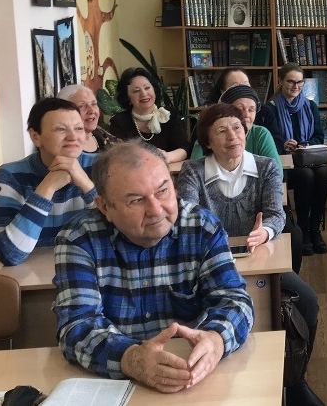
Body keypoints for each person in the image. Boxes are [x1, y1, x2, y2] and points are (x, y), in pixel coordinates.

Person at [53, 142, 254, 393]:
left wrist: (216, 339)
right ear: (104, 207)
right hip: (116, 385)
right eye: (137, 200)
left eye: (163, 191)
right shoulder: (79, 239)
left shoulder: (202, 227)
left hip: (193, 376)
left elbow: (235, 300)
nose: (156, 210)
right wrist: (132, 359)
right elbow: (77, 326)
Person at [177, 105, 324, 405]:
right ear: (208, 142)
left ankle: (296, 380)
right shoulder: (192, 171)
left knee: (307, 301)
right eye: (221, 131)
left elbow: (276, 214)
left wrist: (265, 232)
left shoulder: (266, 167)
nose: (232, 136)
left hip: (259, 260)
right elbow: (186, 219)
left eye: (237, 128)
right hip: (208, 265)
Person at [0, 97, 97, 265]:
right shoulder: (11, 175)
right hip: (33, 274)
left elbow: (121, 235)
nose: (73, 137)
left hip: (90, 269)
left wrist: (86, 184)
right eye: (60, 129)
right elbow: (9, 254)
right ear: (36, 137)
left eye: (78, 128)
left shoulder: (101, 166)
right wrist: (48, 186)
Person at [261, 63, 327, 256]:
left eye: (300, 82)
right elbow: (267, 142)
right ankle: (303, 230)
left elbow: (319, 137)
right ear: (281, 81)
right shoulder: (269, 109)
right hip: (285, 164)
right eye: (291, 82)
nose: (296, 86)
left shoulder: (310, 106)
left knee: (324, 173)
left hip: (308, 157)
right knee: (306, 176)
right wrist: (283, 145)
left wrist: (304, 144)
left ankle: (315, 228)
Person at [191, 81, 283, 173]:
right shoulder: (210, 135)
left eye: (251, 110)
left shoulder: (261, 134)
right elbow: (194, 172)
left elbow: (276, 172)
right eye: (240, 109)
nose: (247, 115)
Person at [108, 67, 189, 164]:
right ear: (127, 97)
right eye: (136, 91)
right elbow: (116, 156)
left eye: (147, 88)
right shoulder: (119, 122)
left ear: (154, 90)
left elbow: (184, 149)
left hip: (168, 170)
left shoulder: (168, 115)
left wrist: (167, 157)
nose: (143, 93)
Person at [57, 84, 120, 153]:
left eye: (94, 104)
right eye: (82, 106)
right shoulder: (60, 146)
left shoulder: (104, 137)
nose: (92, 111)